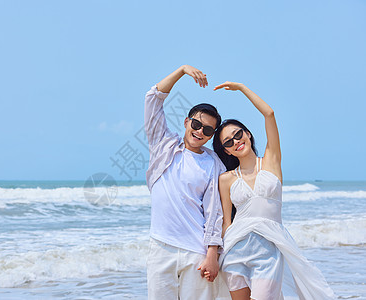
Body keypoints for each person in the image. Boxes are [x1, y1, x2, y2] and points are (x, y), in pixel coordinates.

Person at [209, 81, 335, 299]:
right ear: (226, 152)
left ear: (248, 134)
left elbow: (269, 113)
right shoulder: (226, 179)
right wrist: (213, 255)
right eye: (228, 142)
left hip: (269, 251)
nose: (236, 142)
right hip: (235, 249)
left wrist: (242, 88)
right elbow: (226, 222)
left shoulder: (271, 161)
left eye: (238, 134)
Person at [144, 65, 226, 300]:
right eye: (197, 124)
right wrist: (181, 71)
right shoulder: (163, 145)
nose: (200, 132)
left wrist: (212, 254)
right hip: (161, 247)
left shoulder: (213, 163)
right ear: (186, 122)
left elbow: (214, 212)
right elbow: (153, 99)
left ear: (212, 136)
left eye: (208, 130)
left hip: (196, 253)